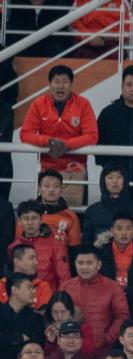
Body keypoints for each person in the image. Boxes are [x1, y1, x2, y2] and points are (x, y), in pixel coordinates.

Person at [19, 65, 98, 206]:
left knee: (75, 213)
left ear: (71, 84)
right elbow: (25, 134)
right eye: (56, 81)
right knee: (46, 212)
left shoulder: (83, 104)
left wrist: (67, 145)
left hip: (76, 170)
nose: (60, 86)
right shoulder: (38, 104)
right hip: (47, 169)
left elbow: (92, 135)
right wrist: (48, 141)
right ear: (49, 84)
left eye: (65, 81)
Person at [10, 200, 70, 290]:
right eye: (26, 218)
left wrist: (59, 297)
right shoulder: (13, 246)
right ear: (19, 221)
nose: (30, 223)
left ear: (41, 220)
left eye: (34, 218)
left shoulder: (56, 245)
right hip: (21, 295)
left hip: (48, 295)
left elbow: (64, 278)